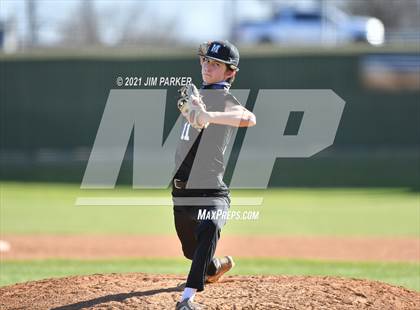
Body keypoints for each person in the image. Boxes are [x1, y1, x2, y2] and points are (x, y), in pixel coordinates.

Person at [173, 40, 256, 310]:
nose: (207, 66)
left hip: (211, 190)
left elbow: (248, 118)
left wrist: (208, 114)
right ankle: (213, 267)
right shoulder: (195, 96)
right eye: (205, 61)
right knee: (192, 251)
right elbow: (194, 116)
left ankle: (187, 299)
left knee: (209, 226)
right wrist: (196, 109)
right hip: (181, 192)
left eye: (216, 64)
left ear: (230, 72)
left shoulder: (224, 99)